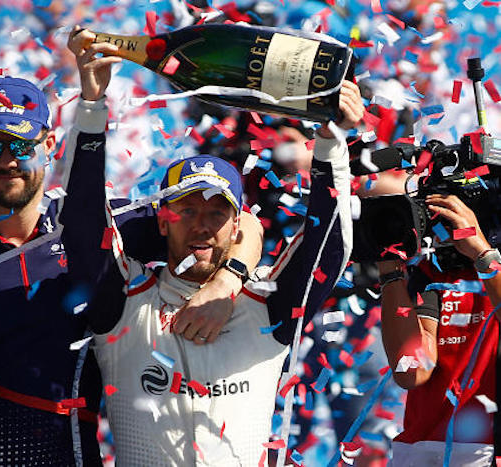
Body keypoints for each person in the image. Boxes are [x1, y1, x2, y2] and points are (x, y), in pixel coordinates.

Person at [0, 59, 263, 464]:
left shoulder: (106, 228)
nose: (8, 161)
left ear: (48, 146)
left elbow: (241, 222)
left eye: (21, 145)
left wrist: (228, 281)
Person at [67, 27, 363, 465]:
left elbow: (330, 246)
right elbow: (82, 222)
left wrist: (331, 141)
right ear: (162, 221)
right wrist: (92, 107)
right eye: (186, 211)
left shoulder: (265, 304)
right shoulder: (127, 301)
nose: (202, 227)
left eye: (216, 213)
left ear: (238, 225)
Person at [378, 194, 501, 466]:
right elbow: (412, 372)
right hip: (420, 450)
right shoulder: (433, 270)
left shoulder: (487, 259)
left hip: (487, 450)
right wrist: (390, 274)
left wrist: (483, 255)